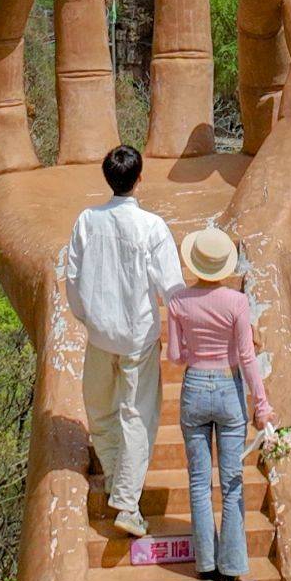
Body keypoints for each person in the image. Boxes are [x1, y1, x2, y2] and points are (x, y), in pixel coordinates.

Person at [63, 143, 185, 537]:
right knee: (137, 416)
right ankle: (127, 503)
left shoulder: (86, 220)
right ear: (139, 178)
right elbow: (172, 290)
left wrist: (89, 318)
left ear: (108, 178)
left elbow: (73, 280)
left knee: (99, 410)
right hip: (137, 338)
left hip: (100, 335)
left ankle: (117, 478)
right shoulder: (152, 228)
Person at [166, 225, 271, 581]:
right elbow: (246, 357)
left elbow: (176, 356)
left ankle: (206, 562)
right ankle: (231, 565)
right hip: (229, 389)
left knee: (198, 481)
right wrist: (263, 404)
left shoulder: (178, 301)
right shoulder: (237, 303)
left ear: (194, 264)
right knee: (232, 482)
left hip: (194, 386)